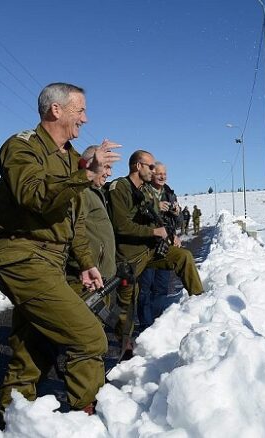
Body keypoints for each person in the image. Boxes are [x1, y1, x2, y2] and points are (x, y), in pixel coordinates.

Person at [0, 82, 120, 414]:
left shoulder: (72, 159)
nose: (86, 119)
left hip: (54, 260)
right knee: (89, 338)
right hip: (24, 258)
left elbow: (73, 219)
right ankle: (85, 417)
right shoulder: (22, 147)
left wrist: (87, 261)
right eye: (80, 111)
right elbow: (32, 195)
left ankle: (14, 421)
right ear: (56, 110)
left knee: (33, 350)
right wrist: (83, 176)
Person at [107, 150, 203, 355]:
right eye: (150, 167)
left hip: (151, 251)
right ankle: (125, 348)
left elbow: (156, 218)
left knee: (183, 257)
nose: (154, 170)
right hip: (130, 256)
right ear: (137, 166)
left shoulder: (147, 191)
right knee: (126, 304)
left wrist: (169, 233)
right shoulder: (120, 188)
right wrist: (153, 231)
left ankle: (201, 303)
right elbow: (121, 225)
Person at [66, 145, 116, 295]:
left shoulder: (94, 192)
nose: (109, 173)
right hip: (85, 280)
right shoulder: (83, 192)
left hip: (98, 277)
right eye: (106, 167)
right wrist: (83, 265)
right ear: (90, 164)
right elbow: (73, 231)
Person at [137, 161, 180, 330]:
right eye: (159, 173)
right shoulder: (143, 190)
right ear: (151, 174)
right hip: (147, 245)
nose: (162, 176)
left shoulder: (169, 193)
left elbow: (177, 221)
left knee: (161, 287)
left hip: (165, 245)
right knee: (145, 287)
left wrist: (176, 215)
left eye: (165, 174)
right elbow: (136, 214)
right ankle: (146, 325)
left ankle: (157, 324)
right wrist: (155, 206)